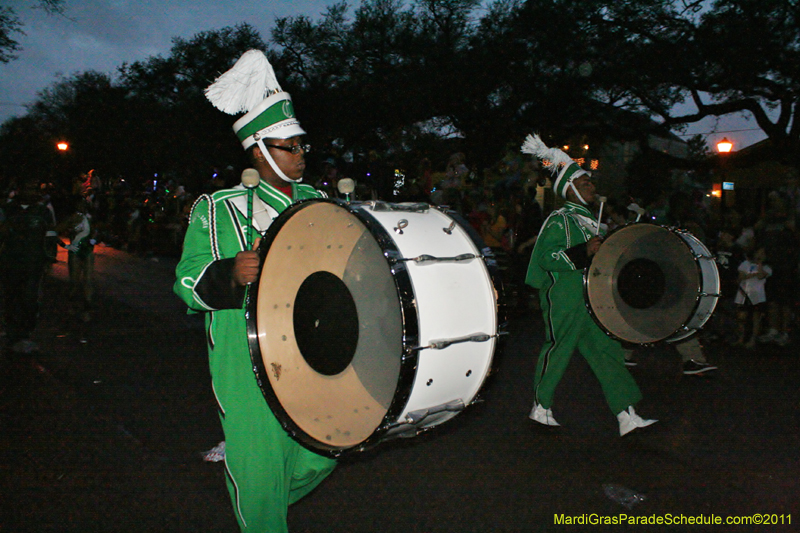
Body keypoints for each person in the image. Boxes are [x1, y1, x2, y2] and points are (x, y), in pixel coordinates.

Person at [173, 50, 335, 532]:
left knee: (323, 452)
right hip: (245, 358)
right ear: (259, 153)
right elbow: (185, 282)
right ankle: (255, 486)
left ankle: (253, 481)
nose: (301, 154)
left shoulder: (319, 202)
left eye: (302, 146)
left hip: (311, 348)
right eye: (290, 147)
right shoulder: (217, 207)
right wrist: (230, 272)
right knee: (261, 472)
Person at [520, 134, 656, 436]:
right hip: (565, 296)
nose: (591, 187)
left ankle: (627, 415)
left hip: (591, 298)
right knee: (558, 349)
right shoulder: (560, 219)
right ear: (568, 189)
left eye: (591, 183)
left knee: (607, 351)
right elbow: (546, 258)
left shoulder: (591, 221)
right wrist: (585, 252)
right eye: (584, 184)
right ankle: (540, 407)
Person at [0, 181, 55, 353]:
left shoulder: (43, 211)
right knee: (12, 297)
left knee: (30, 299)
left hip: (34, 263)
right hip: (11, 262)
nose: (30, 192)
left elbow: (50, 235)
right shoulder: (8, 210)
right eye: (27, 188)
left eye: (33, 189)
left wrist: (49, 259)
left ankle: (24, 334)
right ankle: (13, 334)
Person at [735, 245, 771, 348]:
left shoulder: (767, 267)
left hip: (757, 295)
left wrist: (759, 264)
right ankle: (741, 338)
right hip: (743, 293)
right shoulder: (745, 264)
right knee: (741, 317)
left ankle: (752, 339)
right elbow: (741, 277)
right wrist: (753, 274)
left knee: (756, 317)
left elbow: (761, 276)